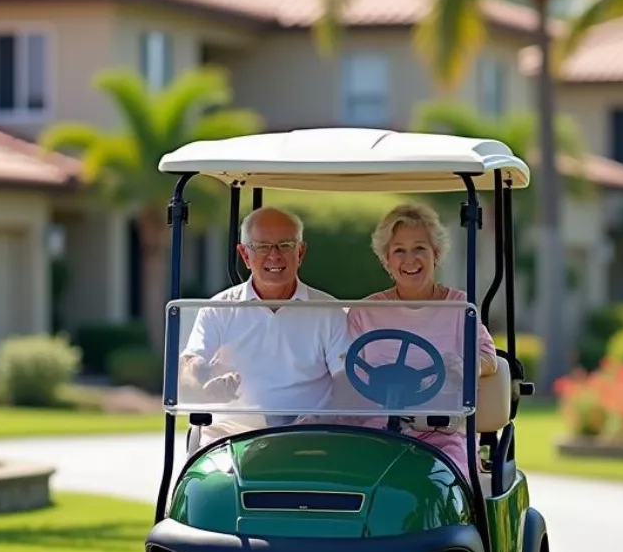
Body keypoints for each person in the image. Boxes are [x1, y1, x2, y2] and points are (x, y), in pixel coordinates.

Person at [346, 201, 498, 471]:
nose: (410, 260)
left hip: (442, 433)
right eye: (399, 251)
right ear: (386, 260)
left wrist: (463, 366)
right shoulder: (364, 312)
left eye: (419, 248)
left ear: (436, 254)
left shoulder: (460, 307)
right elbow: (345, 375)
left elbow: (489, 358)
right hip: (376, 432)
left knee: (447, 480)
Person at [179, 206, 351, 433]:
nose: (274, 255)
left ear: (300, 253)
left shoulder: (329, 311)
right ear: (244, 255)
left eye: (286, 245)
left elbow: (346, 379)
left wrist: (322, 418)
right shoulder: (218, 309)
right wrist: (202, 389)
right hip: (231, 433)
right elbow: (189, 365)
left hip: (310, 433)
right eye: (262, 247)